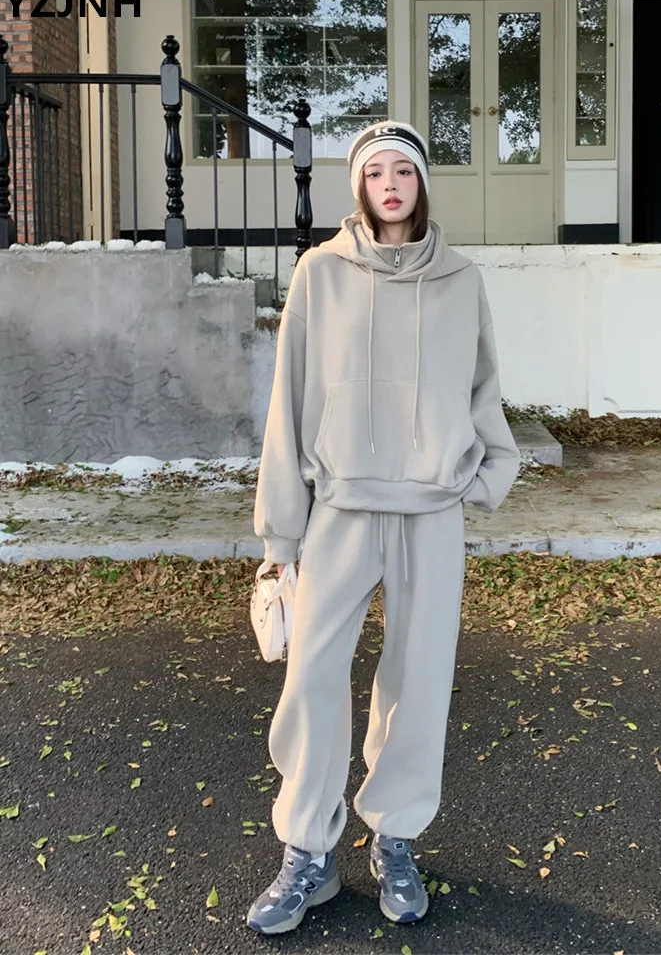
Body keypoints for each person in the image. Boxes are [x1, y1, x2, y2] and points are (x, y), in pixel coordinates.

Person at [247, 120, 521, 935]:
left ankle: (394, 839)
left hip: (430, 513)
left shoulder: (461, 279)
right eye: (376, 172)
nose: (391, 185)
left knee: (418, 682)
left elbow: (483, 387)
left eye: (404, 170)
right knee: (311, 679)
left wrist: (486, 473)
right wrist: (280, 540)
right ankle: (307, 853)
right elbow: (289, 405)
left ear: (422, 183)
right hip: (340, 509)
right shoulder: (319, 274)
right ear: (359, 186)